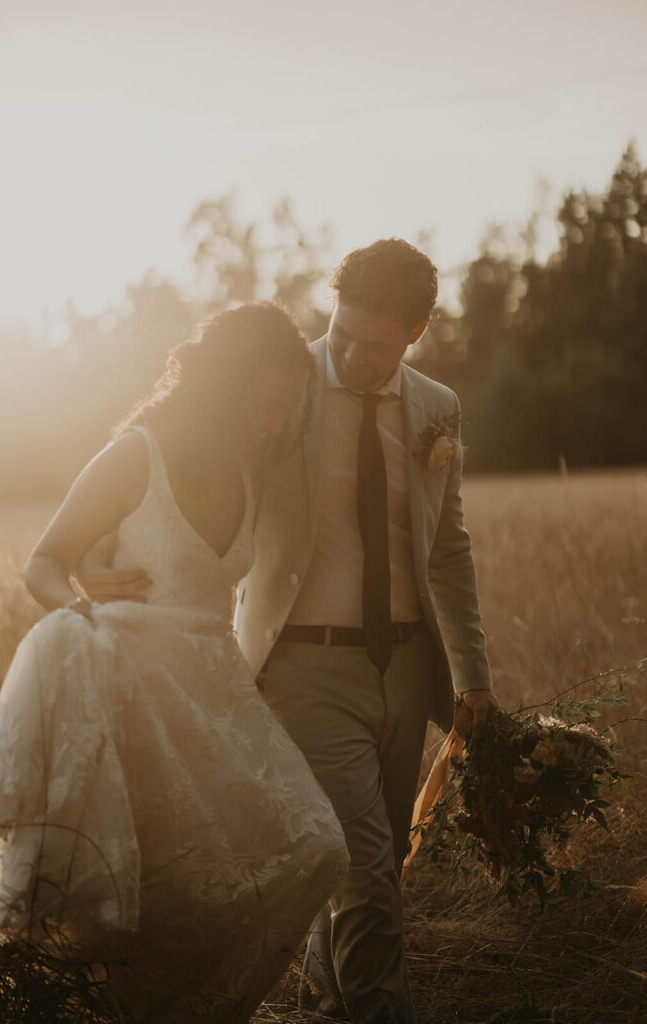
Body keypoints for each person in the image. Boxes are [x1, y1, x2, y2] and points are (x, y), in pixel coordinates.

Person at [80, 240, 499, 1024]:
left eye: (376, 346)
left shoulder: (436, 407)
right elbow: (177, 449)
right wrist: (100, 544)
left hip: (408, 665)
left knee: (370, 860)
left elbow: (448, 547)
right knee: (367, 864)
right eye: (341, 334)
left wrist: (471, 675)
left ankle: (326, 999)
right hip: (300, 664)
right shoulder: (283, 390)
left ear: (414, 334)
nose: (351, 356)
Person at [0, 302, 349, 1023]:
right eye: (266, 403)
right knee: (139, 890)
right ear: (227, 385)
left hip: (213, 692)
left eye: (286, 408)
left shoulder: (250, 463)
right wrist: (76, 610)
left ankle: (197, 1008)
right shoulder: (137, 451)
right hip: (126, 689)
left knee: (314, 848)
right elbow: (44, 563)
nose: (275, 420)